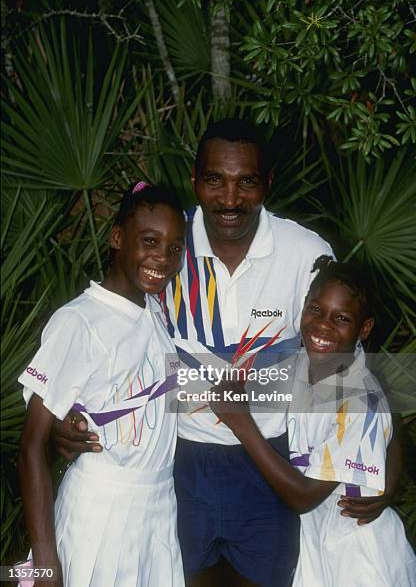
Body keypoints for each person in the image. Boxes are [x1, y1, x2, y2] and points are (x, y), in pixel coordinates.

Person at [50, 119, 401, 587]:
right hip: (178, 463)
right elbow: (112, 336)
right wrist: (70, 418)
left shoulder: (305, 252)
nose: (230, 199)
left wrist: (390, 465)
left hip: (273, 462)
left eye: (247, 182)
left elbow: (349, 370)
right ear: (195, 181)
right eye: (215, 180)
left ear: (267, 183)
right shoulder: (167, 245)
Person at [17, 183, 187, 587]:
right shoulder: (80, 321)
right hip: (102, 510)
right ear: (116, 238)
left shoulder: (155, 309)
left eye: (175, 247)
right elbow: (30, 446)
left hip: (159, 509)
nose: (162, 258)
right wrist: (44, 562)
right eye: (149, 241)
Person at [210, 256, 416, 586]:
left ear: (364, 328)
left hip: (359, 553)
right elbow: (209, 381)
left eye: (342, 318)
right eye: (316, 310)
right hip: (314, 544)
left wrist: (242, 424)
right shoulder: (301, 362)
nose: (323, 325)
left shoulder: (362, 401)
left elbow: (304, 496)